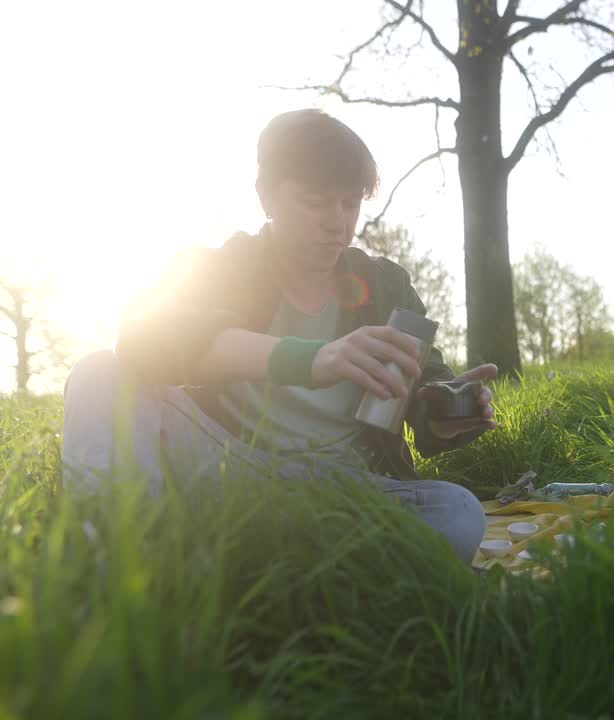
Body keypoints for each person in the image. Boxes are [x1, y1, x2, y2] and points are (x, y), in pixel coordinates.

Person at [60, 109, 495, 563]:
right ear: (267, 198)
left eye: (350, 203)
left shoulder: (386, 286)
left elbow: (422, 404)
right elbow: (141, 339)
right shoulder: (221, 266)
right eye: (316, 201)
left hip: (345, 485)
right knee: (97, 373)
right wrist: (313, 359)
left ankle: (241, 549)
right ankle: (120, 563)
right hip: (232, 466)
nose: (337, 222)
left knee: (459, 514)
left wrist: (446, 410)